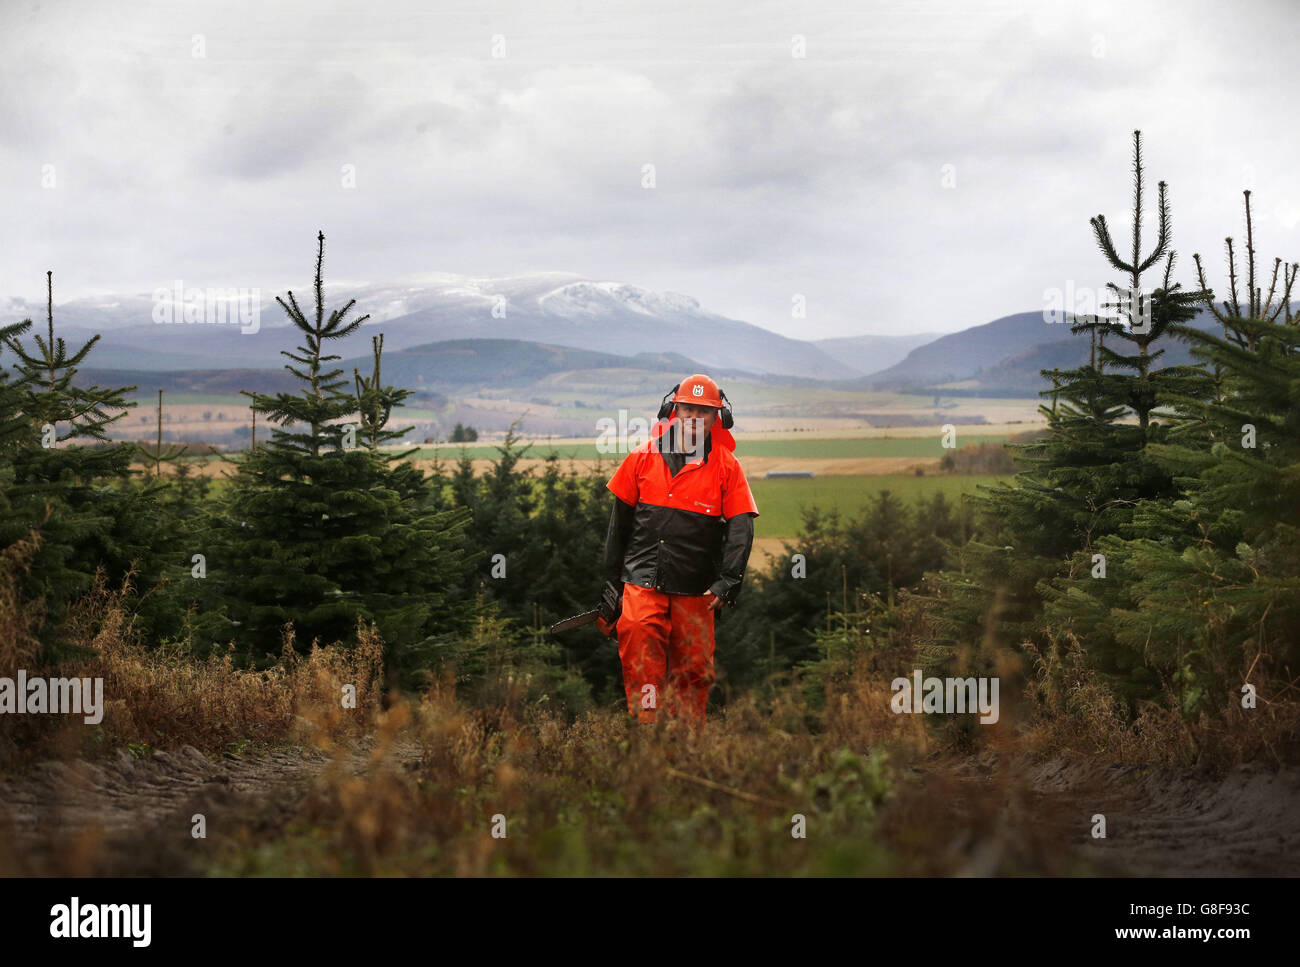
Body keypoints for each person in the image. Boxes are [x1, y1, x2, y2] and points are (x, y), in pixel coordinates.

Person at [598, 374, 759, 728]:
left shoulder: (728, 468)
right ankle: (648, 735)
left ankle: (686, 745)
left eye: (703, 411)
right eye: (687, 408)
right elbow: (618, 528)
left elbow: (741, 527)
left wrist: (728, 582)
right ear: (673, 410)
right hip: (641, 581)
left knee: (694, 669)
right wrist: (611, 590)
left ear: (718, 418)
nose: (693, 417)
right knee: (642, 659)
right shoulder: (640, 459)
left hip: (698, 588)